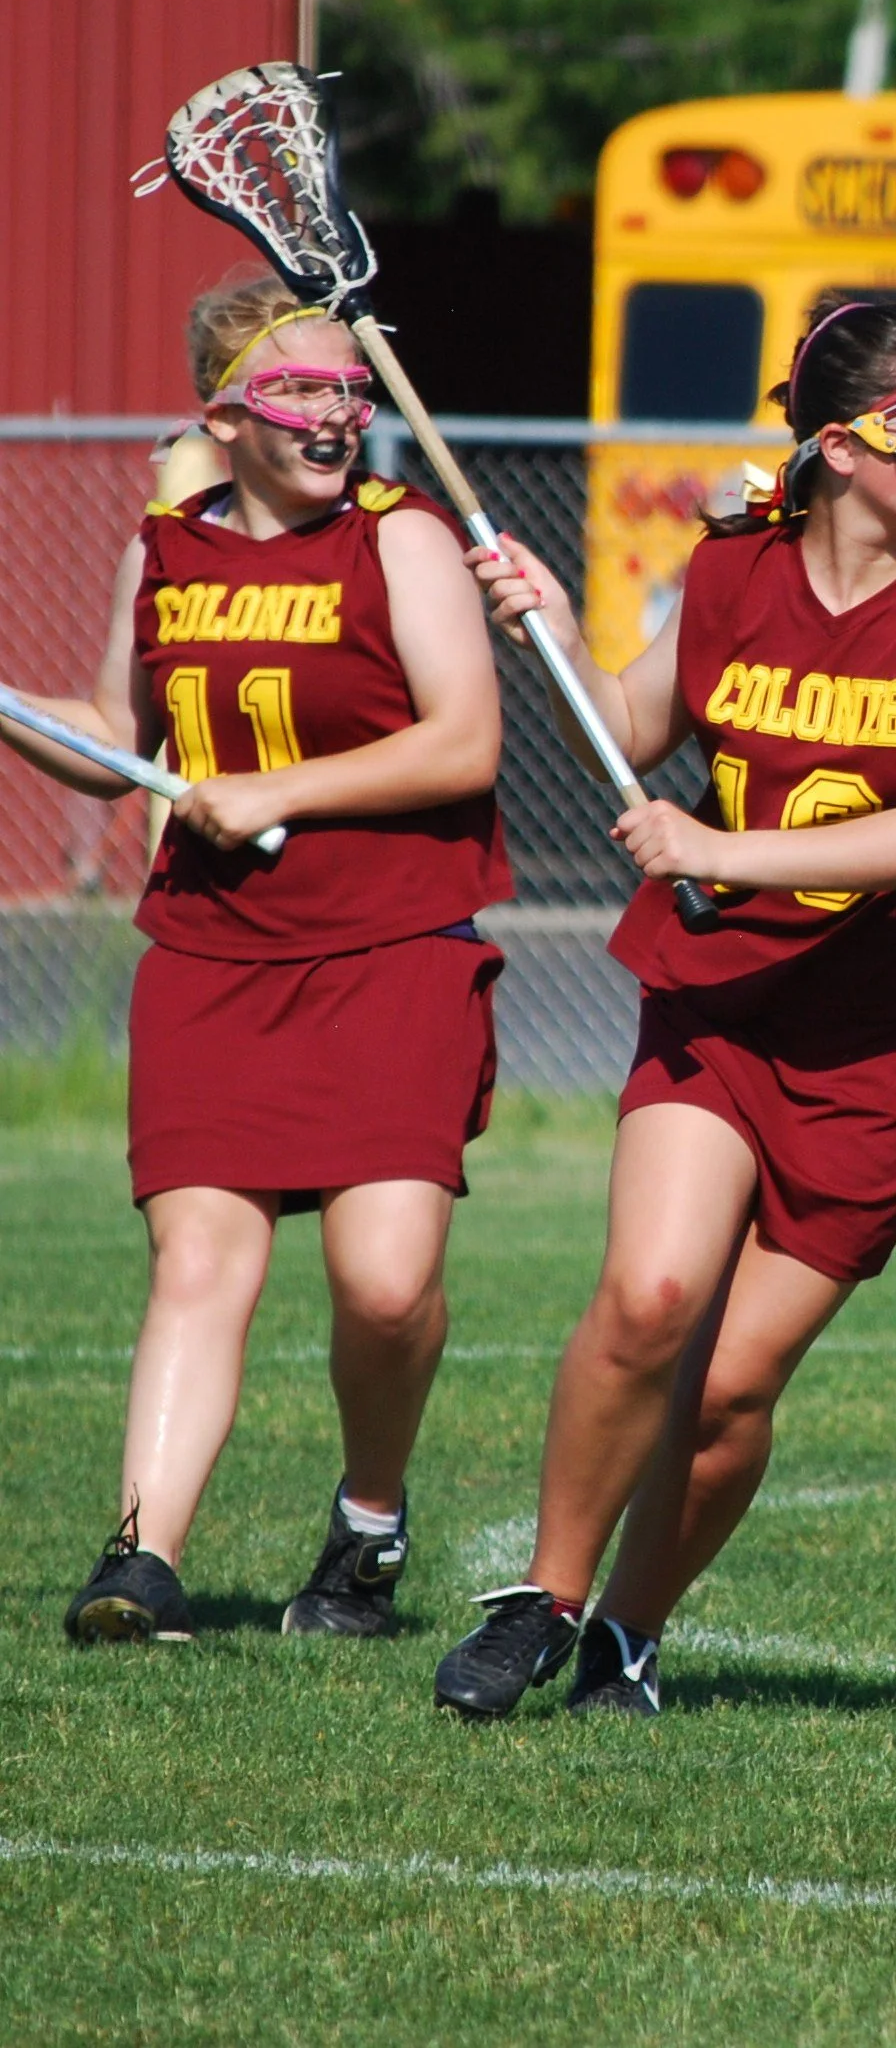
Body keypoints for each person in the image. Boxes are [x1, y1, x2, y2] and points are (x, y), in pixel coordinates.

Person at [433, 293, 896, 1721]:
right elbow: (628, 732)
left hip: (891, 1038)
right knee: (649, 1299)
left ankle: (626, 1639)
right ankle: (542, 1596)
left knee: (724, 1388)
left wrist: (718, 849)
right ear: (838, 443)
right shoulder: (725, 574)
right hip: (722, 994)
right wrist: (555, 632)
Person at [0, 274, 511, 1645]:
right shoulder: (163, 551)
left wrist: (285, 793)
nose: (336, 415)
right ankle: (138, 1557)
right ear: (222, 414)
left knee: (386, 1281)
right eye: (301, 391)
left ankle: (368, 1522)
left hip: (394, 943)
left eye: (350, 389)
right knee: (197, 1265)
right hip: (214, 955)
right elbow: (119, 742)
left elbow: (466, 741)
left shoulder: (402, 542)